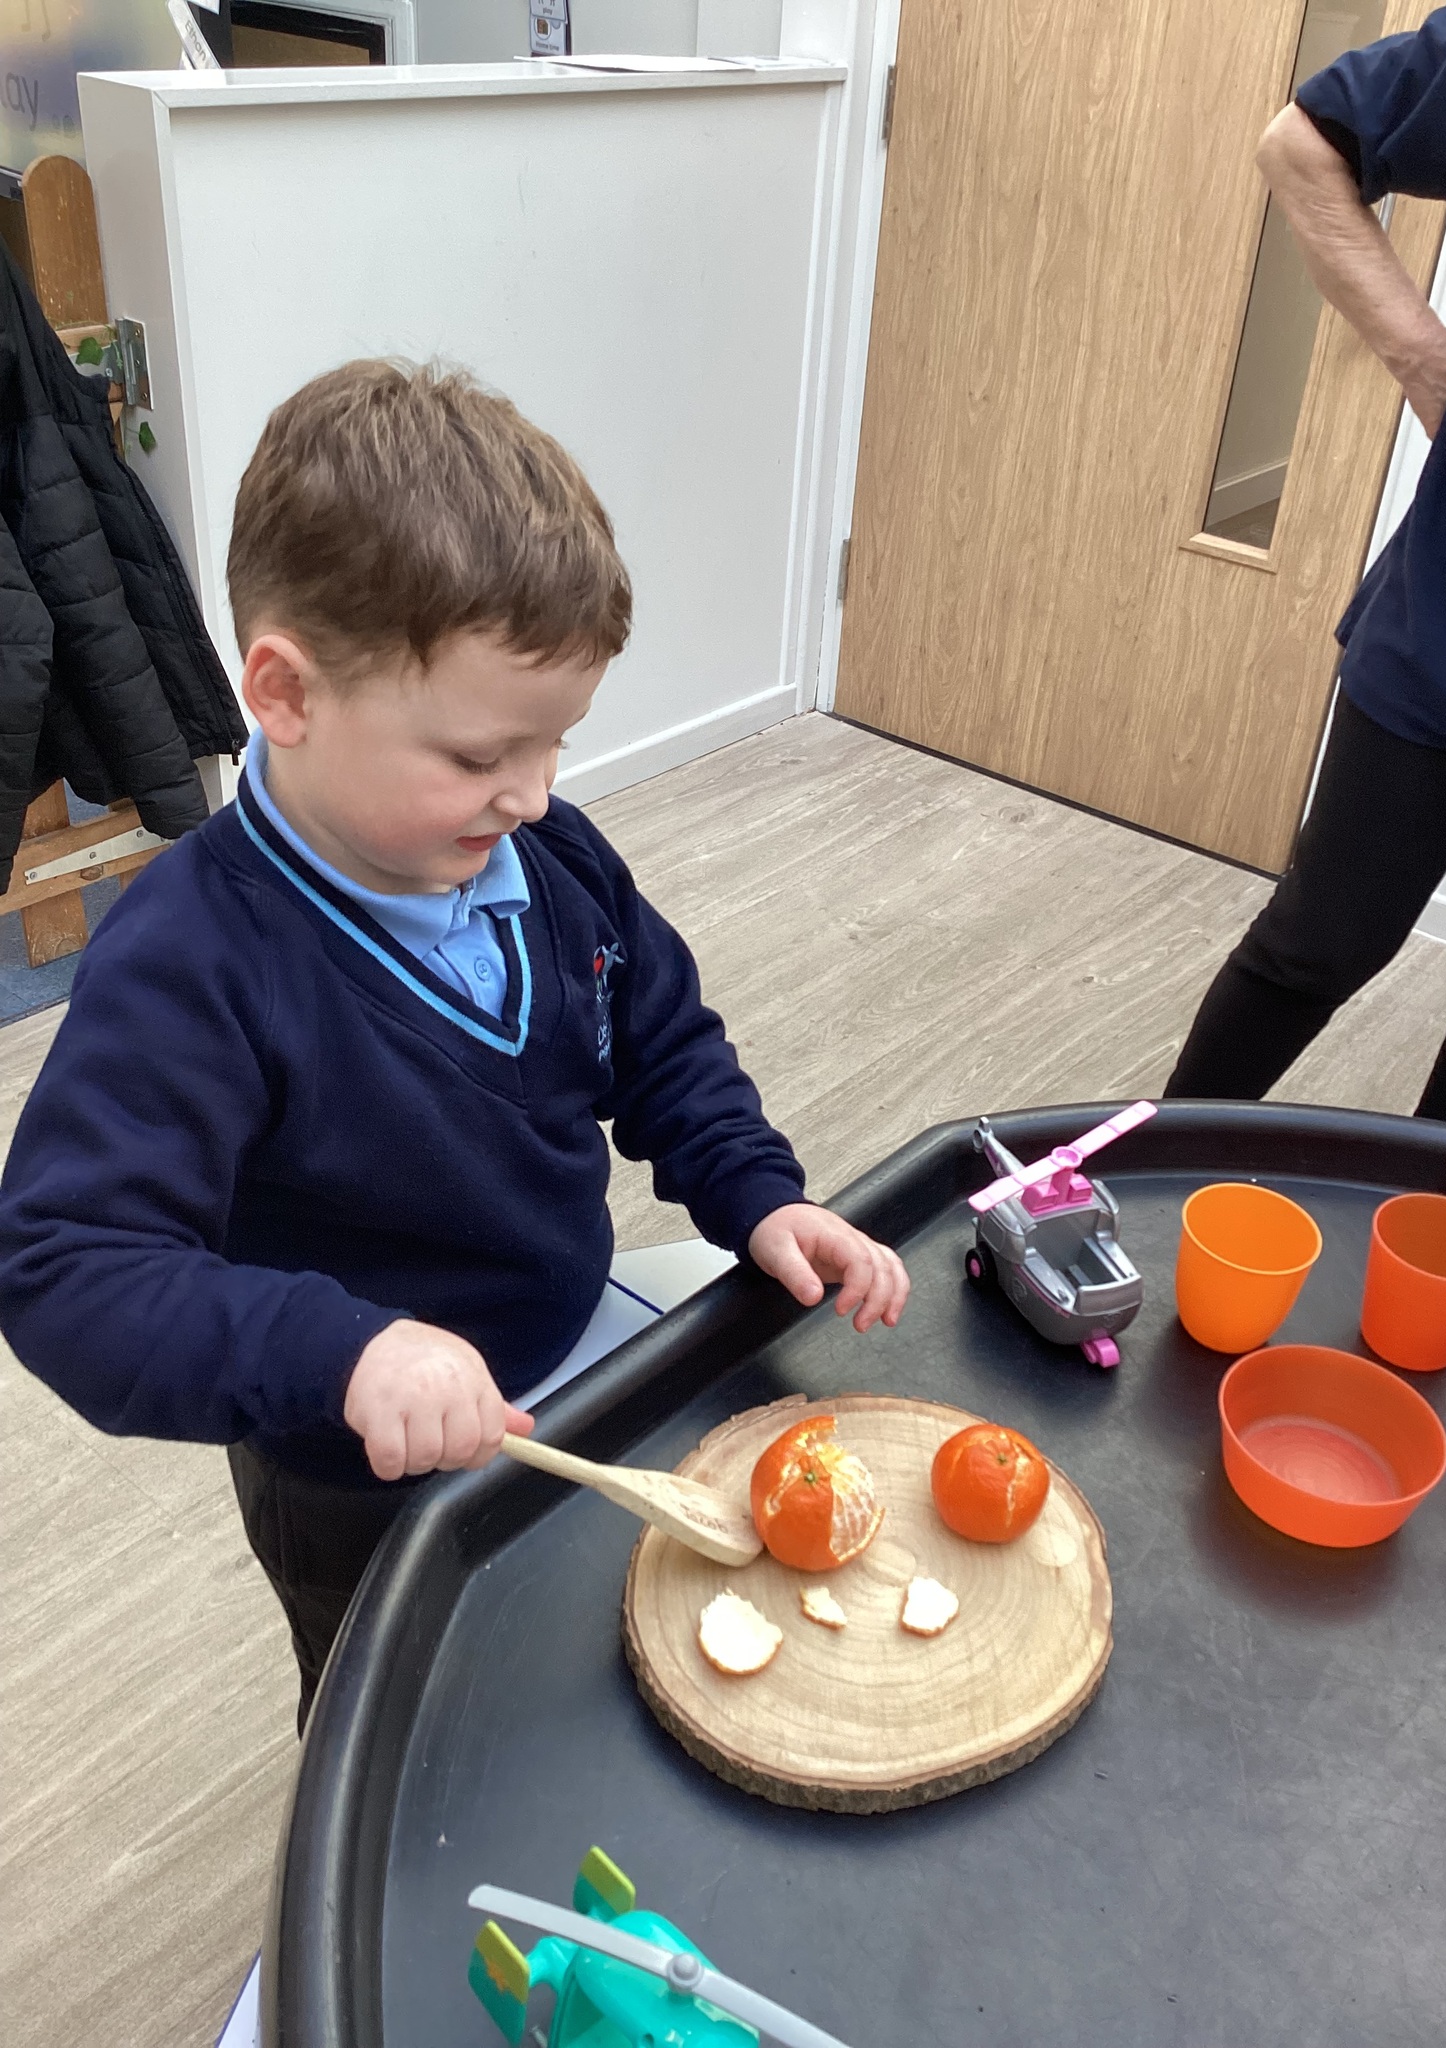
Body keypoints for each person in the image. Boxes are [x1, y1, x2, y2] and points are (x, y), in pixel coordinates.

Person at [0, 361, 909, 1729]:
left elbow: (662, 1039)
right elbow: (67, 1269)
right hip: (359, 1473)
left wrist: (759, 1194)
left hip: (577, 1353)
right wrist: (348, 1355)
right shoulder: (191, 960)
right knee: (403, 1733)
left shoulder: (550, 856)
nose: (533, 795)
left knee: (575, 1674)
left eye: (556, 745)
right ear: (285, 693)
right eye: (483, 756)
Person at [1166, 0, 1446, 1144]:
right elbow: (1304, 142)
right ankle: (1154, 1172)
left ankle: (1441, 1217)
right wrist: (1424, 354)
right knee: (1319, 940)